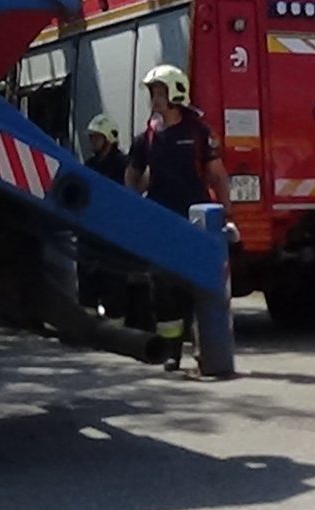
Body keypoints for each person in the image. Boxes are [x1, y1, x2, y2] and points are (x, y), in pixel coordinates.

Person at [126, 65, 229, 369]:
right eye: (152, 93)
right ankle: (172, 351)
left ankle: (205, 347)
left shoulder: (198, 132)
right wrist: (134, 205)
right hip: (161, 221)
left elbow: (217, 176)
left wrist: (226, 214)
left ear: (176, 94)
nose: (155, 100)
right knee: (163, 288)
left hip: (195, 220)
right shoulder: (146, 136)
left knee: (198, 284)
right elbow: (132, 175)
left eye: (160, 93)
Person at [77, 115, 131, 318]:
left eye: (96, 138)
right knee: (88, 283)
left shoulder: (123, 165)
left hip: (114, 234)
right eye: (91, 138)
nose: (92, 142)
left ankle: (116, 326)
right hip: (91, 233)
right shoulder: (89, 166)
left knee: (114, 283)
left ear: (108, 139)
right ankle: (89, 325)